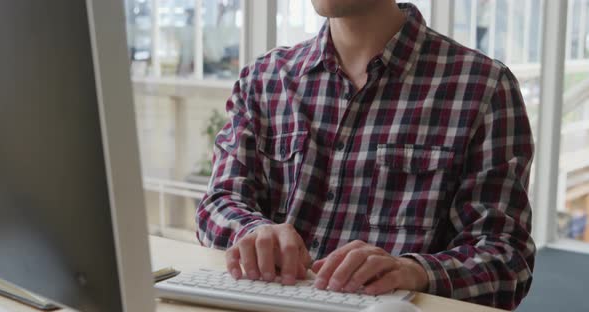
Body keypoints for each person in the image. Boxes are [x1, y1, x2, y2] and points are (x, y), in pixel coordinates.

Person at [196, 1, 535, 310]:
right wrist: (254, 233)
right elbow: (219, 203)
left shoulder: (482, 87)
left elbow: (506, 258)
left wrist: (414, 271)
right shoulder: (264, 79)